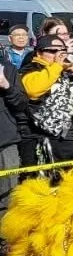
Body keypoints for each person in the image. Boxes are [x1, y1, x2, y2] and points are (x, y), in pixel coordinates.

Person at [20, 34, 73, 162]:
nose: (58, 54)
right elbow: (33, 90)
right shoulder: (32, 69)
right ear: (39, 53)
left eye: (62, 50)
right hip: (56, 140)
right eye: (52, 51)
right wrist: (57, 66)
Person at [0, 53, 26, 210]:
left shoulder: (7, 68)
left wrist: (6, 85)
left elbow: (21, 103)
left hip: (5, 143)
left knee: (7, 198)